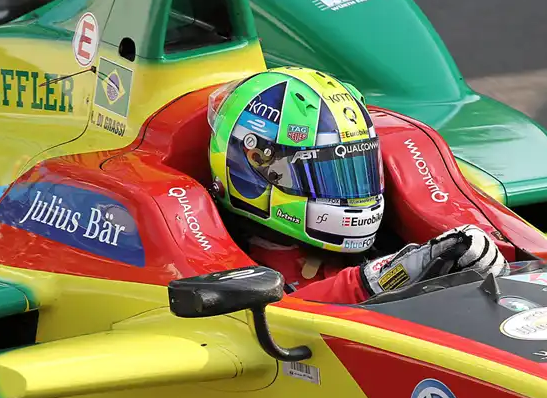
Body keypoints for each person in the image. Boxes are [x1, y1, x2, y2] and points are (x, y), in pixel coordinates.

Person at [207, 66, 507, 304]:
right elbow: (279, 317)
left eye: (356, 170)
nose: (348, 191)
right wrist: (389, 275)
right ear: (257, 166)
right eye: (323, 175)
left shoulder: (362, 242)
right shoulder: (229, 266)